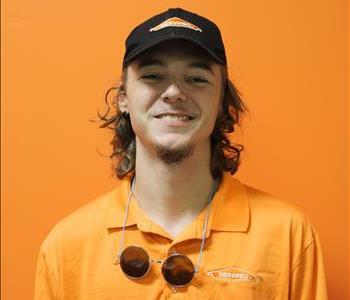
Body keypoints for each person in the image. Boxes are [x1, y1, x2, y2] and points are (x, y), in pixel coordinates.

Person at [34, 7, 328, 299]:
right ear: (124, 99)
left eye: (197, 79)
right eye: (152, 75)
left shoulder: (289, 236)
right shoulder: (66, 246)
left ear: (222, 102)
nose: (173, 92)